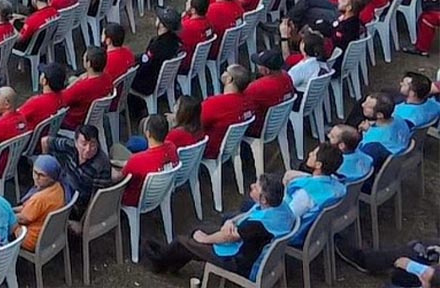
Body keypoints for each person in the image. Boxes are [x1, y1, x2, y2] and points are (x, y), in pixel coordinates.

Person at [149, 173, 295, 277]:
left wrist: (205, 239)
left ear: (264, 199)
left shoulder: (258, 224)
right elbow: (247, 215)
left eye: (256, 188)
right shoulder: (281, 207)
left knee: (184, 240)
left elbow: (229, 237)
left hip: (239, 262)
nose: (251, 186)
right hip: (254, 251)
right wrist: (230, 221)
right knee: (198, 231)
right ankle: (173, 263)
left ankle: (159, 262)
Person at [279, 143, 345, 246]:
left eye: (313, 154)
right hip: (316, 231)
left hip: (294, 235)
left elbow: (287, 218)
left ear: (318, 165)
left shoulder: (305, 194)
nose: (309, 154)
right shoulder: (339, 187)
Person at [42, 125, 112, 217]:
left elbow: (97, 199)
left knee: (42, 208)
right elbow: (45, 141)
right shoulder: (70, 146)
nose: (88, 149)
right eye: (84, 144)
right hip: (61, 189)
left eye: (93, 144)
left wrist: (82, 224)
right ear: (76, 143)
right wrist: (45, 165)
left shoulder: (101, 164)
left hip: (77, 205)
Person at [115, 114, 179, 207]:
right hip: (160, 192)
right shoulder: (172, 147)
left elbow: (117, 178)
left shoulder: (137, 160)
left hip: (134, 199)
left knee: (116, 149)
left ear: (148, 133)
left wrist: (111, 165)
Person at [15, 155, 69, 251]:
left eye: (42, 175)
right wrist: (11, 209)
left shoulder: (40, 199)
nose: (36, 177)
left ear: (52, 177)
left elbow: (23, 219)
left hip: (31, 239)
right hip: (50, 235)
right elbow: (28, 208)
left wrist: (4, 212)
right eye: (35, 172)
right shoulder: (58, 187)